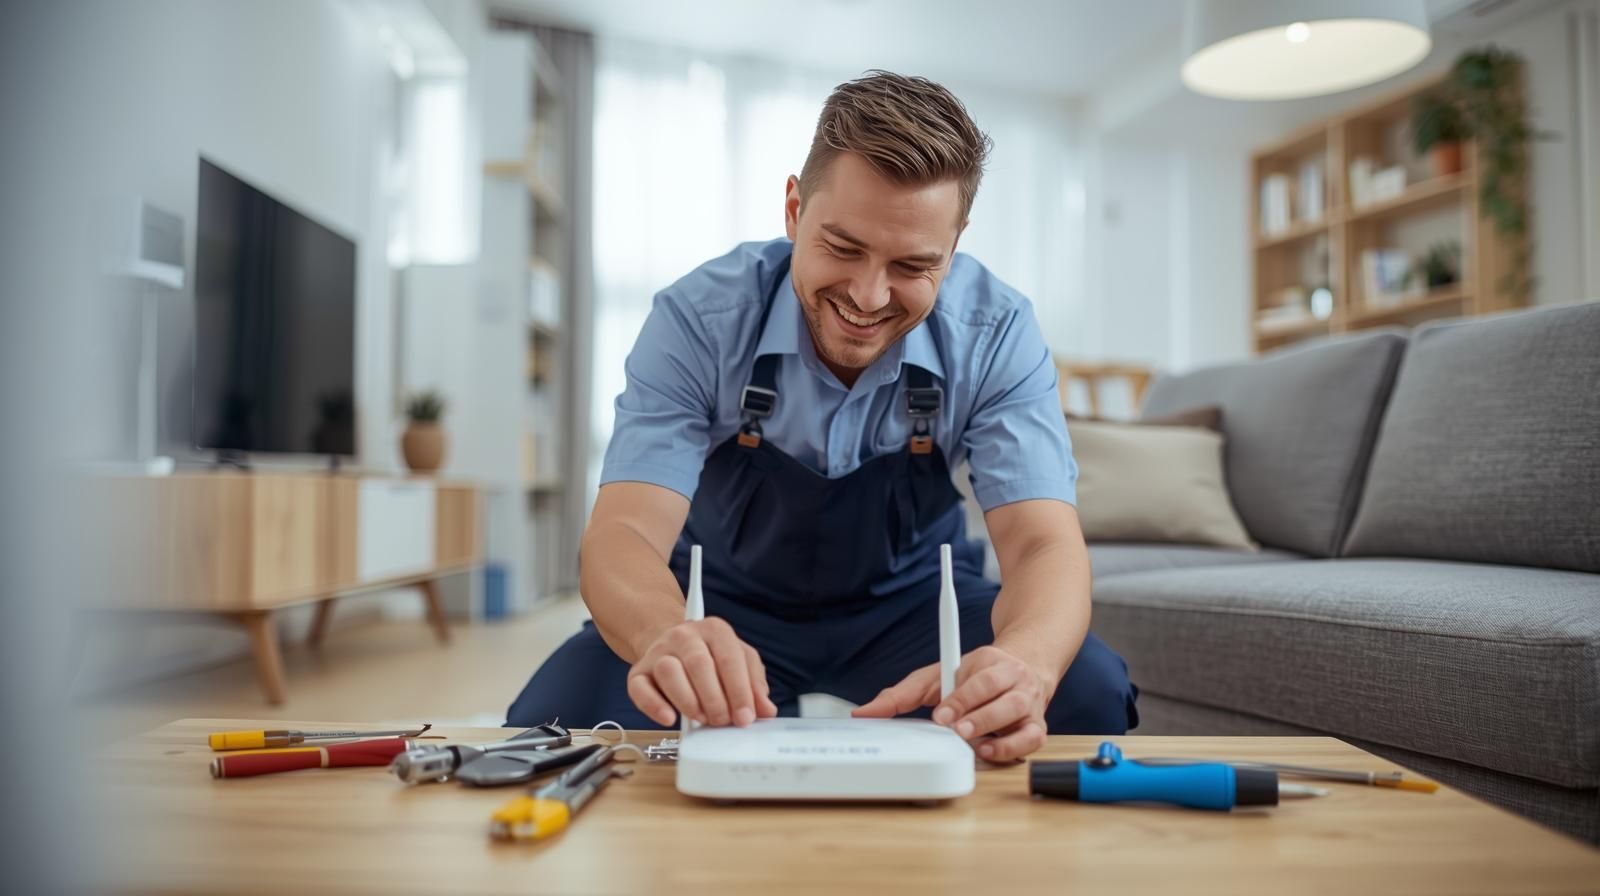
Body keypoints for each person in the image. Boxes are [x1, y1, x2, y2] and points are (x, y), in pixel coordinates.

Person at [508, 70, 1137, 762]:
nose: (868, 296)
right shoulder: (698, 320)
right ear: (793, 210)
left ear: (953, 248)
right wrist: (666, 634)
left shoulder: (997, 332)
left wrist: (1027, 663)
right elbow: (622, 531)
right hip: (723, 605)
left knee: (1088, 692)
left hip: (914, 607)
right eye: (842, 247)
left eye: (912, 265)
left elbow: (1045, 545)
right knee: (554, 716)